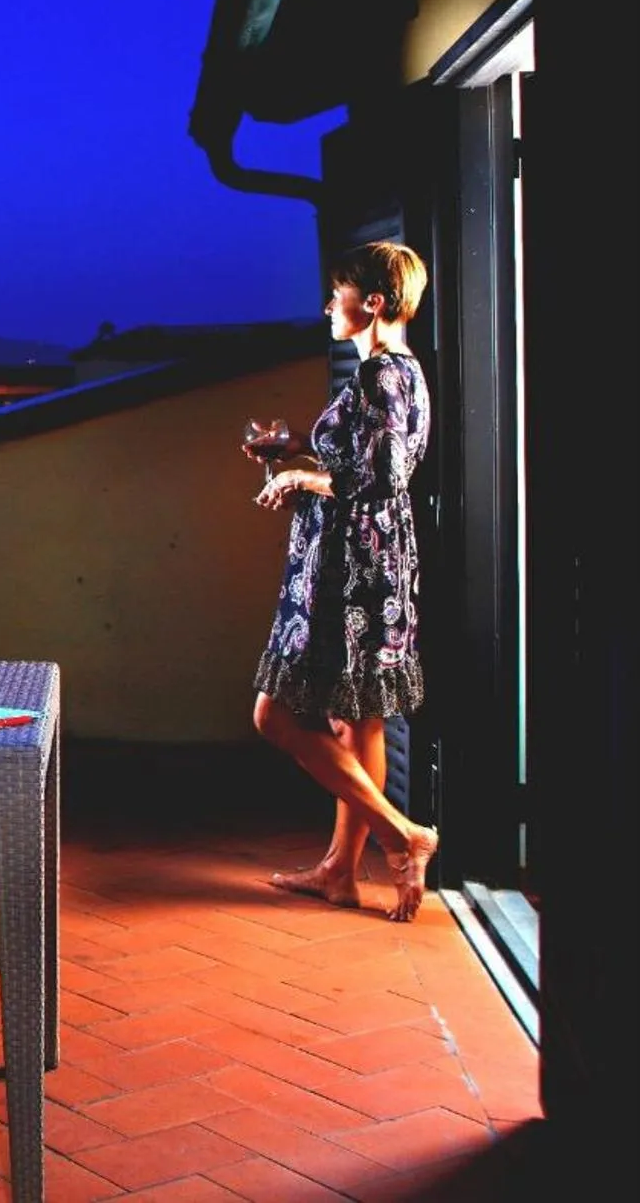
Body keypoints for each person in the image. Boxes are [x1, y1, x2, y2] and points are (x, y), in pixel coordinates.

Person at [248, 240, 441, 922]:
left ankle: (401, 836)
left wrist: (301, 474)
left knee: (275, 716)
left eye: (339, 292)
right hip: (369, 560)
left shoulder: (380, 376)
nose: (329, 303)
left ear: (374, 302)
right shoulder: (395, 372)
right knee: (357, 719)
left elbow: (378, 480)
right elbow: (365, 472)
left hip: (349, 571)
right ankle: (337, 870)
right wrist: (292, 459)